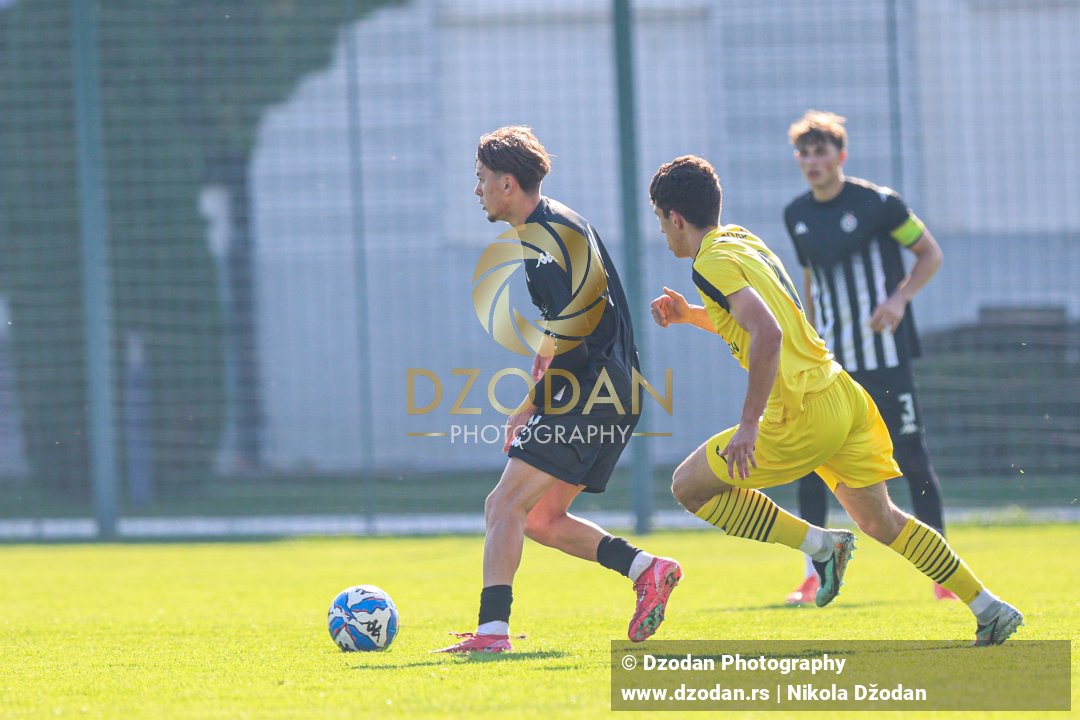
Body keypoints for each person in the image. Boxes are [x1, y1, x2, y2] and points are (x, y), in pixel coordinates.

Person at [647, 154, 1022, 646]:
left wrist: (749, 423)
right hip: (841, 395)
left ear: (676, 218)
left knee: (688, 487)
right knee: (881, 521)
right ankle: (989, 607)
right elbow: (757, 316)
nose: (662, 232)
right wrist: (691, 314)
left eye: (660, 221)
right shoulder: (741, 240)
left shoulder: (710, 261)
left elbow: (767, 332)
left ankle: (820, 547)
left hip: (800, 412)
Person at [435, 126, 681, 653]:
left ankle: (492, 632)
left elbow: (577, 328)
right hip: (608, 390)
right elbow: (561, 329)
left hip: (593, 389)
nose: (476, 191)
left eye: (480, 180)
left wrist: (531, 405)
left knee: (504, 505)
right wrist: (534, 386)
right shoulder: (546, 229)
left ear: (506, 183)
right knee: (541, 518)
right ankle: (648, 569)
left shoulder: (551, 237)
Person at [782, 110, 956, 605]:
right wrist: (810, 339)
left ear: (841, 155)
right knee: (811, 460)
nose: (812, 161)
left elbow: (929, 253)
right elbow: (811, 279)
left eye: (821, 151)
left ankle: (943, 573)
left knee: (911, 457)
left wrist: (899, 299)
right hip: (833, 364)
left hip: (886, 357)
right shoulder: (795, 215)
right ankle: (812, 572)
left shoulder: (881, 205)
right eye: (804, 153)